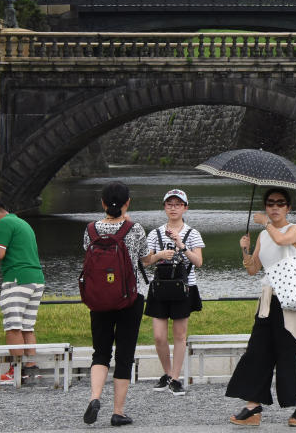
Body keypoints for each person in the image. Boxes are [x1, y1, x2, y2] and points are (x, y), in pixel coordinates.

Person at [228, 188, 296, 427]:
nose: (275, 207)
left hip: (289, 298)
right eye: (270, 203)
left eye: (280, 203)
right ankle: (253, 406)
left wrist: (267, 223)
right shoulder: (263, 235)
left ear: (288, 208)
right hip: (268, 298)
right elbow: (253, 269)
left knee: (293, 351)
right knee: (257, 350)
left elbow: (281, 240)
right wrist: (245, 249)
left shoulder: (294, 230)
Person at [82, 181, 152, 427]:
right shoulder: (135, 229)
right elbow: (144, 258)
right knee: (124, 355)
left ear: (102, 203)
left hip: (98, 299)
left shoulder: (90, 230)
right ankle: (118, 412)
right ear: (127, 203)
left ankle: (94, 397)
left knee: (100, 352)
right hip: (129, 298)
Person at [0, 196, 46, 382]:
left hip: (17, 279)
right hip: (36, 279)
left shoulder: (4, 223)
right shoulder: (22, 223)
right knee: (27, 327)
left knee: (13, 326)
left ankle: (15, 370)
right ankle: (31, 369)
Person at [145, 188, 205, 395]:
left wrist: (182, 245)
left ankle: (176, 378)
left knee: (180, 334)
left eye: (178, 204)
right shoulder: (155, 233)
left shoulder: (192, 233)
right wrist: (160, 254)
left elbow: (198, 262)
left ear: (185, 208)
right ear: (164, 207)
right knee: (159, 336)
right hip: (160, 287)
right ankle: (168, 373)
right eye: (169, 204)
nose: (173, 208)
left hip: (184, 286)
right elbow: (145, 262)